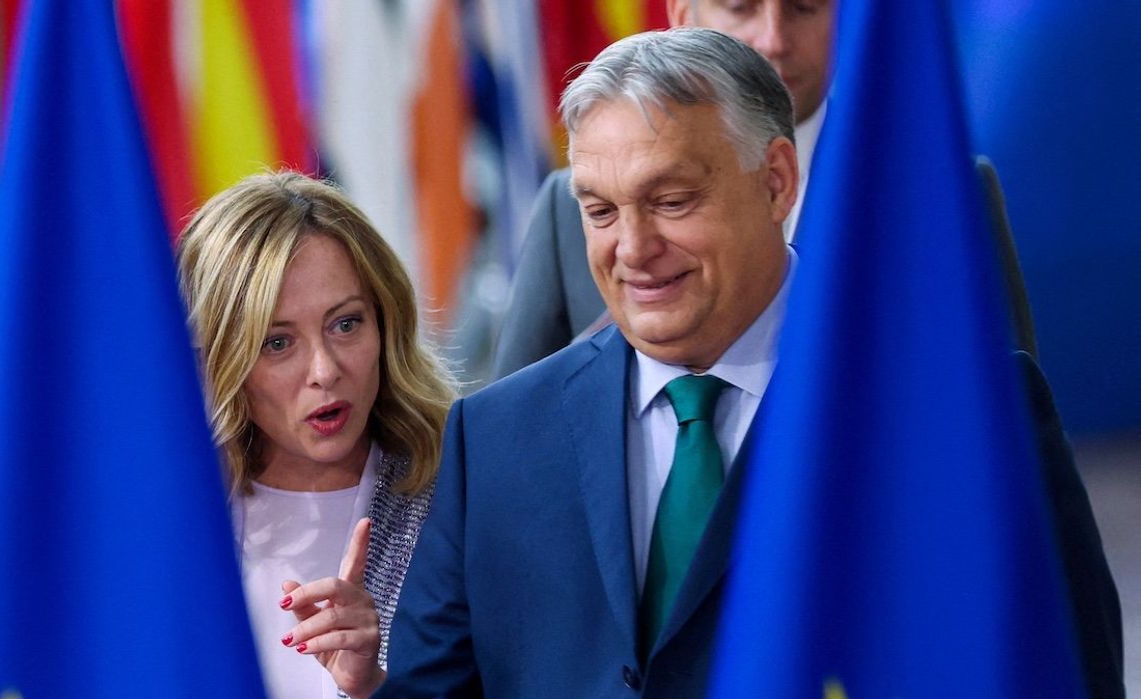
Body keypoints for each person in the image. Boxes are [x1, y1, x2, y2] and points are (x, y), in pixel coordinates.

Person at [379, 28, 1121, 697]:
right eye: (599, 211)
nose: (631, 248)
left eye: (670, 200)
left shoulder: (965, 413)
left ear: (775, 181)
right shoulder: (496, 436)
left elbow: (1065, 671)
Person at [176, 172, 456, 698]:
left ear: (386, 322)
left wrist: (373, 688)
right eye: (278, 342)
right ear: (221, 359)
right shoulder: (169, 519)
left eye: (345, 324)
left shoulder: (464, 497)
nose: (324, 370)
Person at [491, 0, 833, 379]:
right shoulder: (566, 205)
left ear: (775, 180)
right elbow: (521, 411)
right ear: (684, 17)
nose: (773, 40)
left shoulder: (900, 195)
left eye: (805, 7)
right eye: (739, 8)